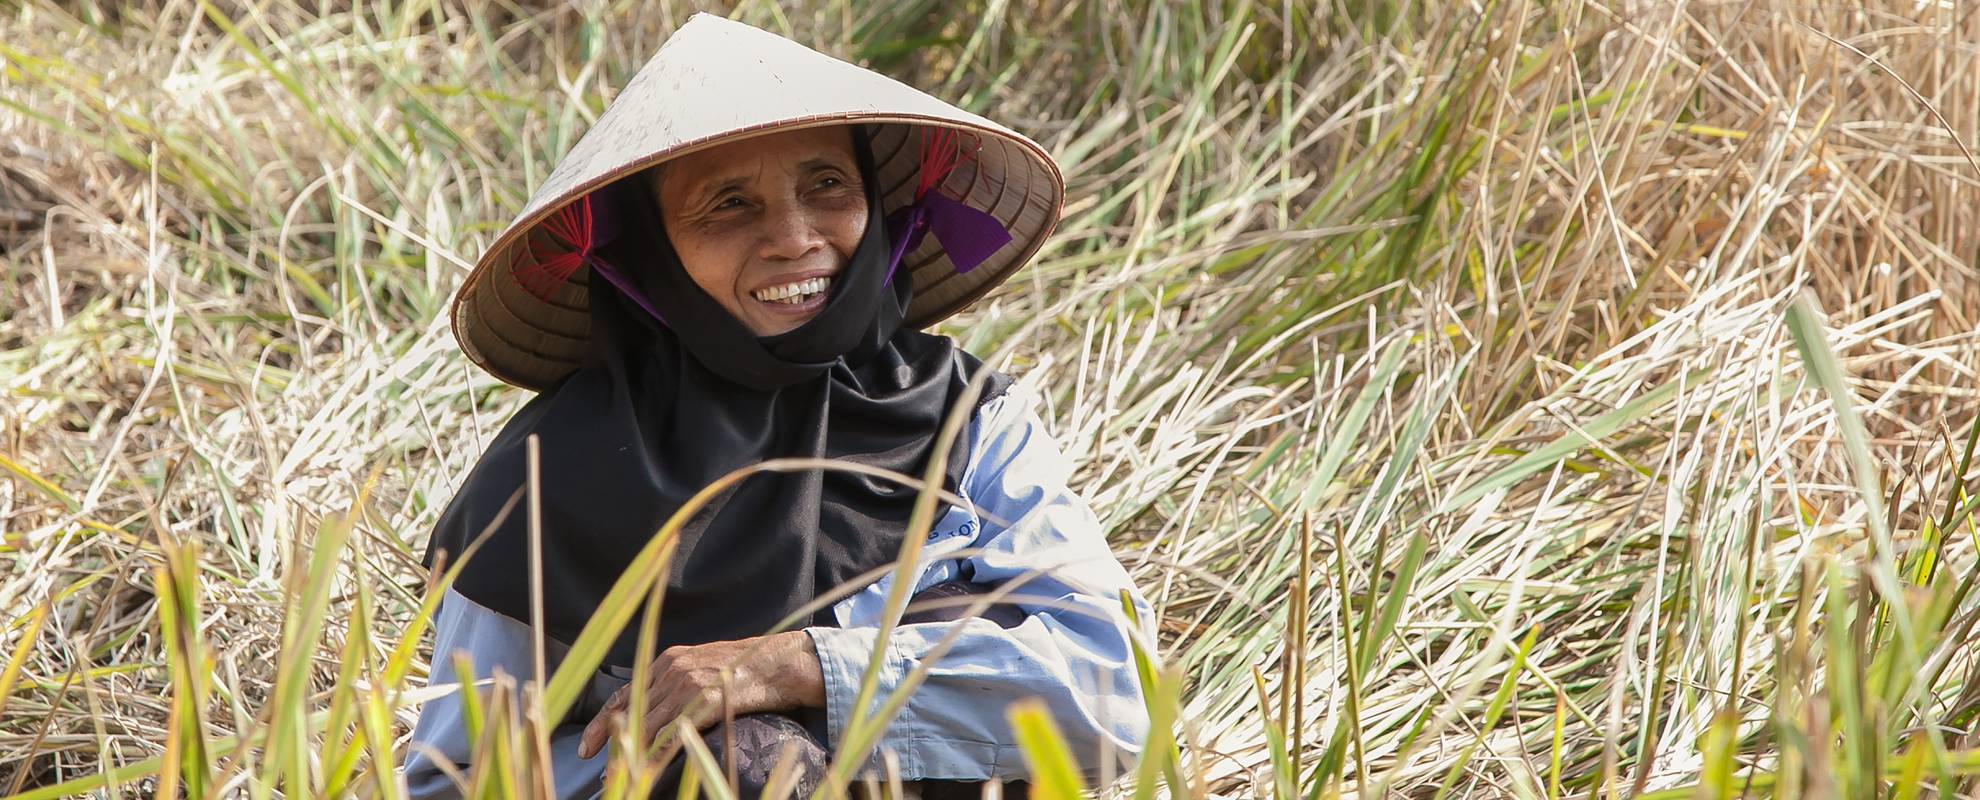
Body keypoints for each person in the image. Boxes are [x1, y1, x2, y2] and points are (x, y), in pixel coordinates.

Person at [399, 14, 1151, 799]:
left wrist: (797, 667)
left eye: (827, 184)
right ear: (648, 252)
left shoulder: (964, 416)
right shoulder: (551, 479)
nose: (795, 239)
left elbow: (1118, 693)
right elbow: (454, 782)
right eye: (727, 204)